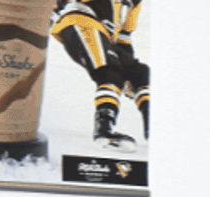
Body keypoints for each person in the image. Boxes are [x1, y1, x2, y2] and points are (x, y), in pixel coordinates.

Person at [50, 0, 149, 150]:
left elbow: (123, 39)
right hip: (79, 21)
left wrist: (129, 71)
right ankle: (103, 130)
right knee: (109, 72)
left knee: (140, 73)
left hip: (103, 36)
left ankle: (154, 126)